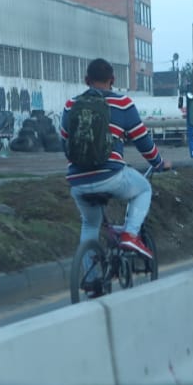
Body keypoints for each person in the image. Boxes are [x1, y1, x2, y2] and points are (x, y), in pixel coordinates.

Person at [61, 58, 172, 267]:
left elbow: (65, 142)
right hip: (111, 176)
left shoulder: (71, 105)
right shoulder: (123, 104)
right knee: (143, 189)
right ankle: (130, 234)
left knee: (90, 224)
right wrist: (159, 163)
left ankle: (91, 281)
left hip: (77, 180)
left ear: (86, 80)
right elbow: (143, 142)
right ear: (113, 80)